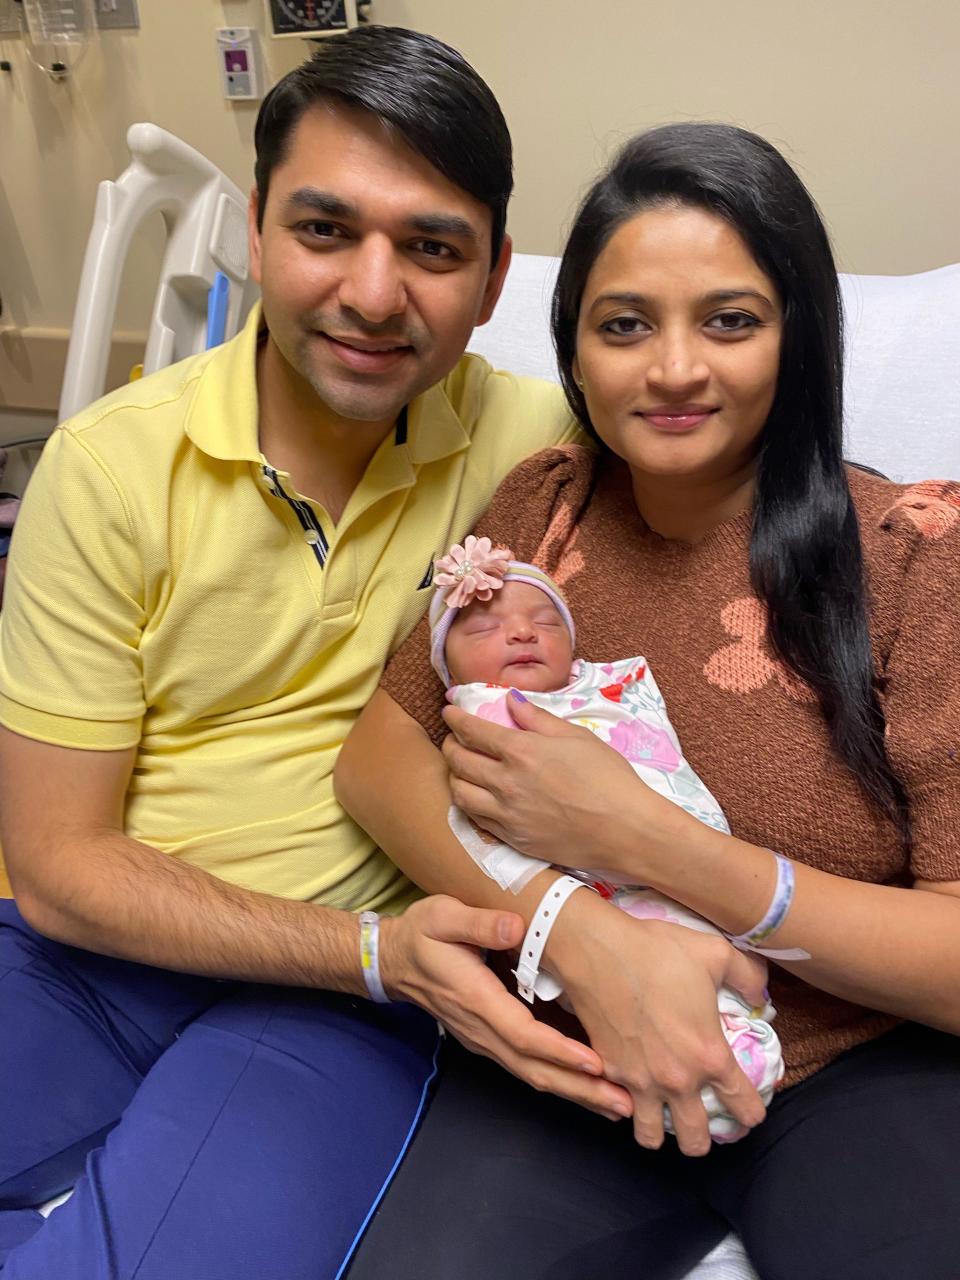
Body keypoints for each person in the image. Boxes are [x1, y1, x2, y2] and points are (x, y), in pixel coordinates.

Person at [0, 27, 608, 1280]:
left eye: (432, 247)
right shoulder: (111, 469)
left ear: (494, 277)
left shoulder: (539, 445)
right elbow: (57, 864)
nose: (376, 295)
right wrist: (373, 950)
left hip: (342, 1009)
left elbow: (746, 475)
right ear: (260, 231)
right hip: (90, 958)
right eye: (326, 230)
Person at [337, 122, 960, 1279]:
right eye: (625, 325)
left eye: (731, 319)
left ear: (801, 337)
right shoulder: (544, 508)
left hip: (858, 1072)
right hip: (575, 1057)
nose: (673, 368)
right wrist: (577, 938)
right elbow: (377, 755)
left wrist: (643, 839)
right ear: (574, 345)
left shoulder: (919, 554)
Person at [430, 538, 785, 1143]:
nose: (521, 634)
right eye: (485, 627)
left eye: (543, 621)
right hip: (600, 902)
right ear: (447, 671)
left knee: (716, 956)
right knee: (670, 978)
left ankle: (734, 1036)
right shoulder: (485, 719)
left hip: (691, 866)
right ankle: (717, 1068)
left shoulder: (604, 687)